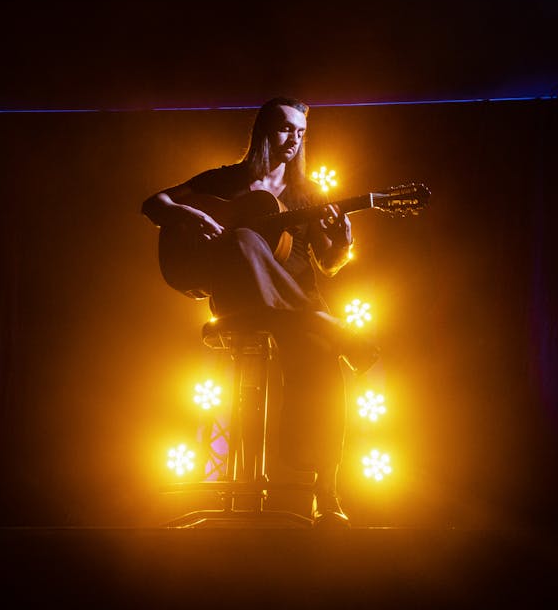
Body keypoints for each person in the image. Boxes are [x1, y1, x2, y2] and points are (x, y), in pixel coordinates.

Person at [141, 96, 379, 528]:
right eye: (286, 128)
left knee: (324, 366)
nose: (294, 139)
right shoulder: (226, 182)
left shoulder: (310, 196)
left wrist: (342, 245)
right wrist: (186, 214)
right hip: (241, 303)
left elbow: (328, 265)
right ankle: (320, 325)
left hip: (299, 303)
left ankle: (325, 495)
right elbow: (153, 203)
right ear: (264, 132)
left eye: (302, 133)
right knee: (243, 239)